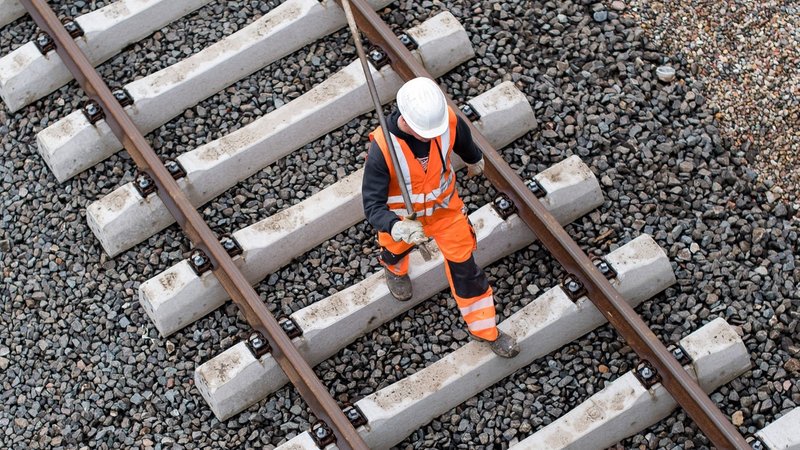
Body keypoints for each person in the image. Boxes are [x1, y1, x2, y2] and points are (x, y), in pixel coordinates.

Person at [361, 77, 519, 358]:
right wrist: (396, 227)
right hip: (404, 221)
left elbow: (461, 138)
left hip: (445, 213)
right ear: (406, 121)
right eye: (425, 132)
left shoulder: (444, 121)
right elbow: (372, 206)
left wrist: (473, 158)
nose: (432, 136)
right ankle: (394, 269)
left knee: (466, 270)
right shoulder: (383, 150)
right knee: (394, 249)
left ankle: (485, 330)